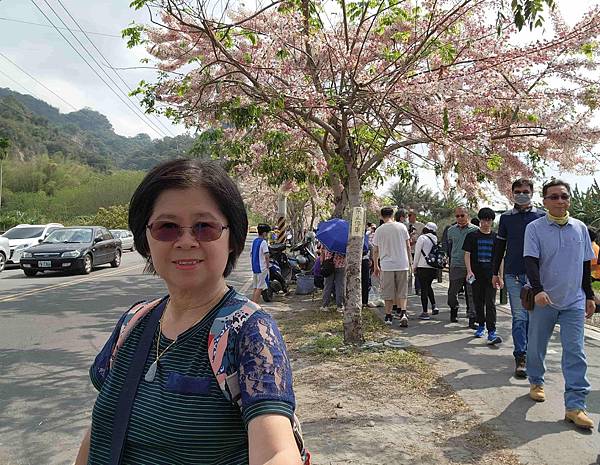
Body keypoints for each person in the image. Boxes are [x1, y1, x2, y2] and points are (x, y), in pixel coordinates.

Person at [75, 159, 303, 465]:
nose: (185, 241)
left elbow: (277, 451)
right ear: (147, 238)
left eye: (204, 227)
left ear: (232, 239)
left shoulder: (249, 333)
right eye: (167, 227)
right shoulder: (134, 320)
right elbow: (101, 429)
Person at [523, 179, 596, 430]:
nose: (559, 201)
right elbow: (530, 262)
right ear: (544, 201)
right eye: (553, 197)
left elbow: (586, 264)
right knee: (536, 345)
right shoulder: (534, 228)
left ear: (569, 200)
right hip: (545, 299)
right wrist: (538, 290)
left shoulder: (580, 228)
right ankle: (536, 380)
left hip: (573, 300)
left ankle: (575, 406)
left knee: (576, 351)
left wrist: (588, 295)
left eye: (563, 196)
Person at [492, 178, 545, 378]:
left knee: (534, 318)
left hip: (537, 277)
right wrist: (494, 273)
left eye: (525, 191)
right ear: (512, 193)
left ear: (532, 192)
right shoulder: (506, 218)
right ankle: (520, 357)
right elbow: (499, 247)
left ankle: (533, 355)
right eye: (517, 191)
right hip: (513, 274)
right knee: (519, 317)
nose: (521, 194)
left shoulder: (542, 216)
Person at [463, 208, 502, 344]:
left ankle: (492, 331)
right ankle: (481, 325)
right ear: (480, 220)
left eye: (489, 220)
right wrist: (469, 271)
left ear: (492, 221)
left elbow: (499, 258)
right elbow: (467, 254)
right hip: (476, 274)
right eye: (484, 220)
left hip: (491, 275)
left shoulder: (496, 238)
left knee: (490, 303)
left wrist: (499, 276)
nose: (486, 223)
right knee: (478, 301)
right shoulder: (472, 236)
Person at [373, 207, 411, 326]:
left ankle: (388, 316)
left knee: (388, 291)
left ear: (381, 216)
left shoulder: (379, 230)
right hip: (402, 263)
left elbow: (375, 250)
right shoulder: (402, 227)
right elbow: (408, 246)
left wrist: (376, 266)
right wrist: (410, 262)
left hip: (387, 265)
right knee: (402, 290)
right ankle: (403, 313)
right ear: (393, 215)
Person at [446, 207, 478, 325]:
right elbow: (449, 246)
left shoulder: (475, 230)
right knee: (451, 293)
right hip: (456, 265)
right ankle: (454, 308)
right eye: (457, 216)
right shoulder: (451, 230)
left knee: (471, 294)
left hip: (471, 267)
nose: (460, 218)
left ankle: (472, 318)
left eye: (462, 215)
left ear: (467, 215)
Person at [412, 222, 440, 320]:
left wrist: (414, 266)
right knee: (428, 286)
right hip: (433, 267)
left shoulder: (422, 238)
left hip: (422, 266)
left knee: (424, 288)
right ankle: (434, 305)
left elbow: (417, 253)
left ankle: (425, 312)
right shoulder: (435, 239)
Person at [320, 246, 346, 312]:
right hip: (341, 265)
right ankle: (340, 306)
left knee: (327, 286)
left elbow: (322, 252)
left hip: (328, 266)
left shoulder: (327, 239)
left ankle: (325, 305)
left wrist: (322, 263)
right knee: (340, 286)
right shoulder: (344, 241)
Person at [251, 223, 271, 303]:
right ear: (264, 233)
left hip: (255, 268)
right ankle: (255, 306)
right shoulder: (263, 242)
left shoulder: (255, 241)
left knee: (255, 287)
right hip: (262, 268)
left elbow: (251, 254)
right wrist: (267, 266)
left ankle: (253, 305)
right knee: (259, 288)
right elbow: (266, 255)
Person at [408, 210, 425, 295]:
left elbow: (424, 236)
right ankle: (408, 289)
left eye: (410, 215)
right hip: (407, 250)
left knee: (417, 270)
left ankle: (418, 288)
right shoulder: (404, 226)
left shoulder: (421, 226)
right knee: (408, 270)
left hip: (417, 250)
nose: (409, 217)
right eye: (408, 215)